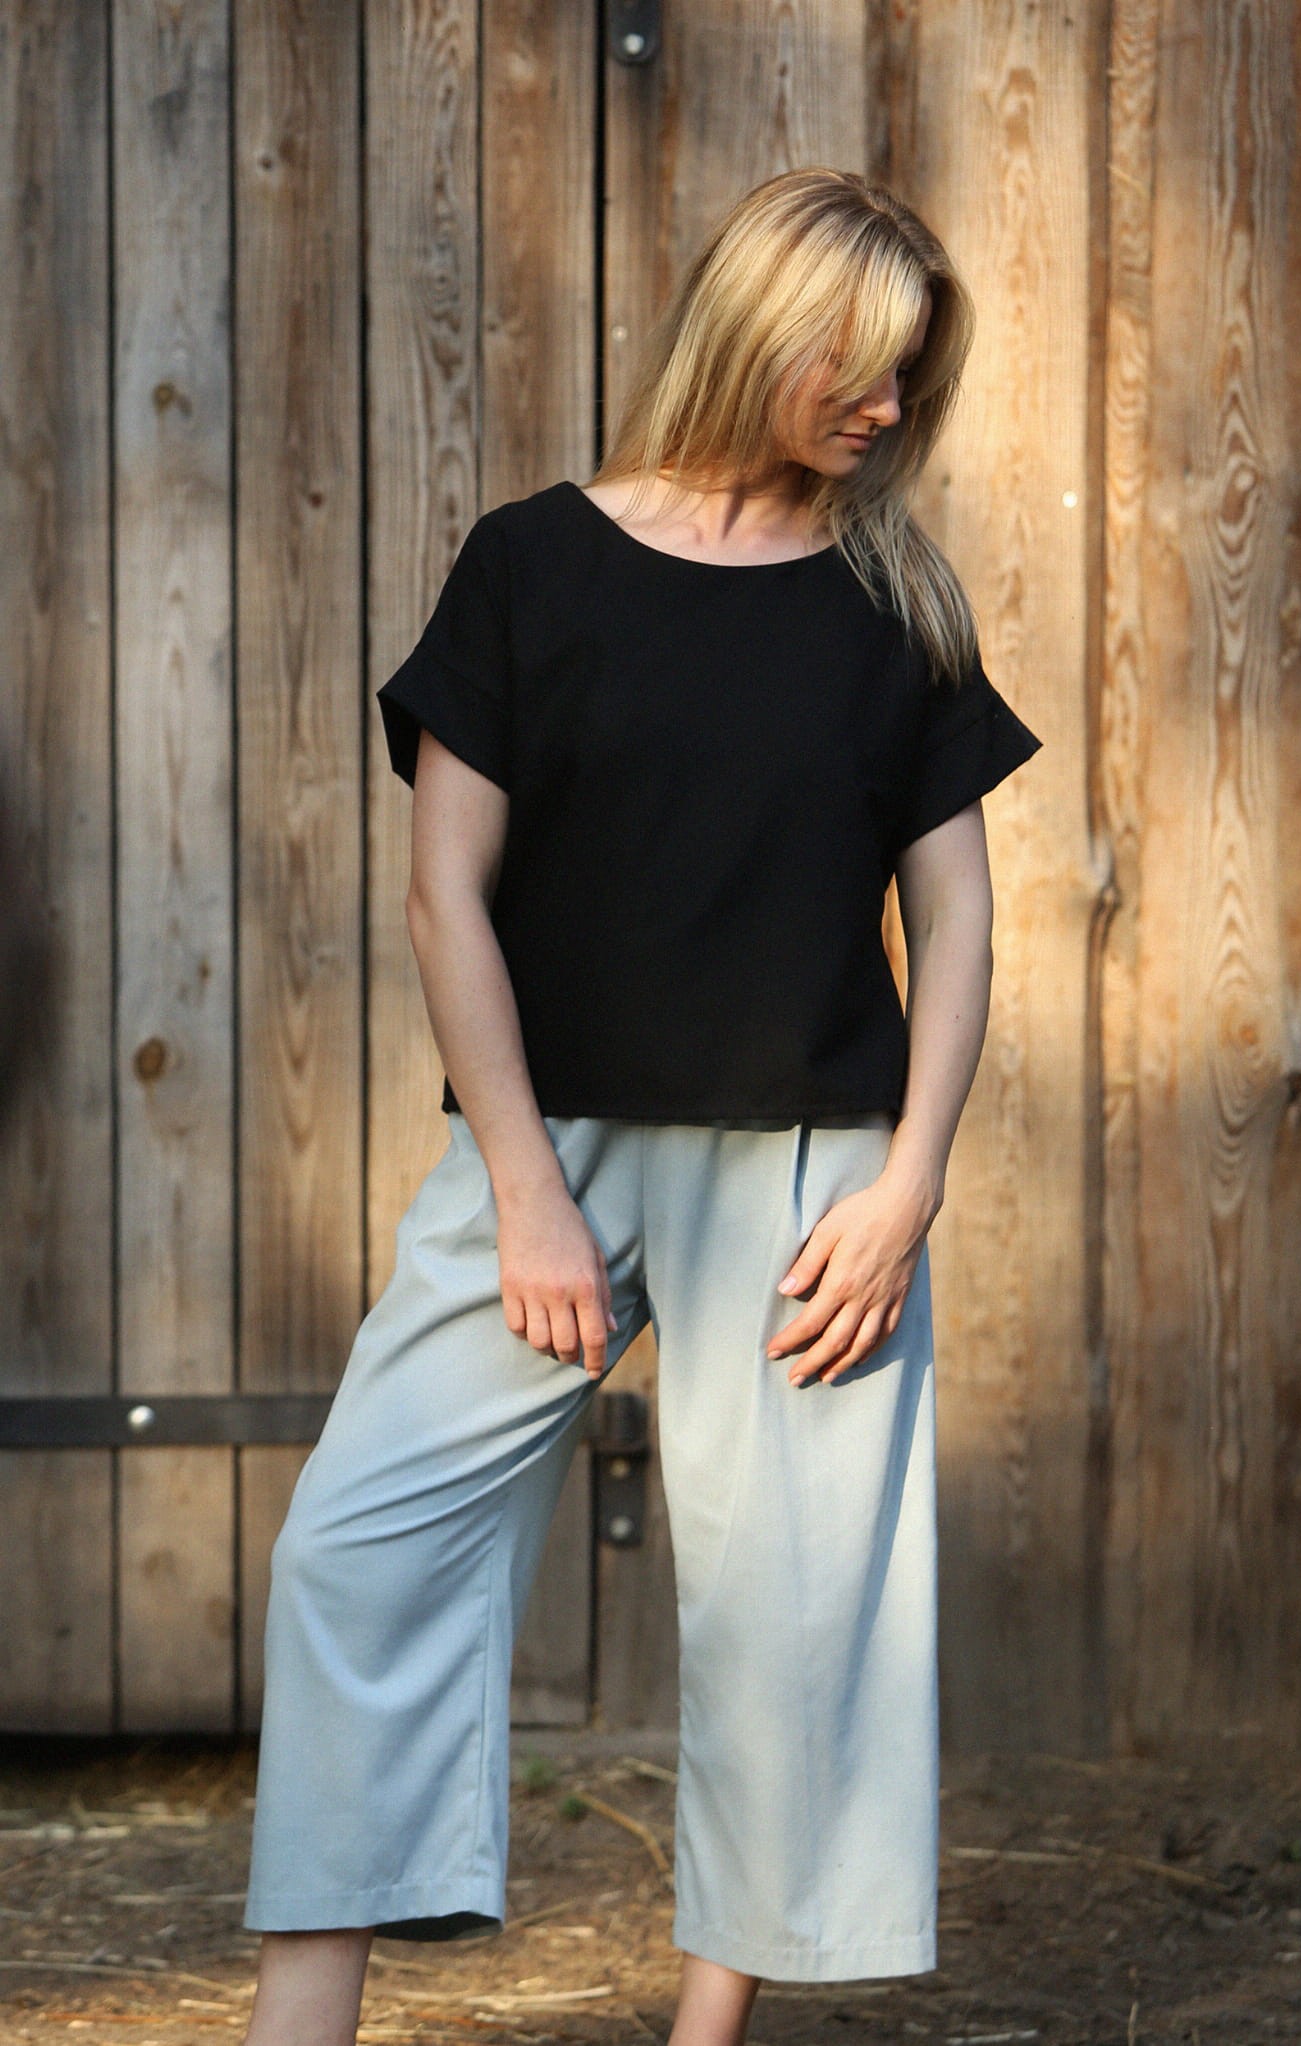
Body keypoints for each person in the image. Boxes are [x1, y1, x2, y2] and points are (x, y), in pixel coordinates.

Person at [241, 165, 1041, 2046]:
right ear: (760, 330)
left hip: (817, 1172)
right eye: (861, 365)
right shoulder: (534, 565)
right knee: (357, 1554)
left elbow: (958, 915)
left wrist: (910, 1187)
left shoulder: (897, 600)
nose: (889, 409)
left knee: (788, 1619)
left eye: (911, 377)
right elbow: (444, 894)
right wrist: (525, 1188)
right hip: (548, 1147)